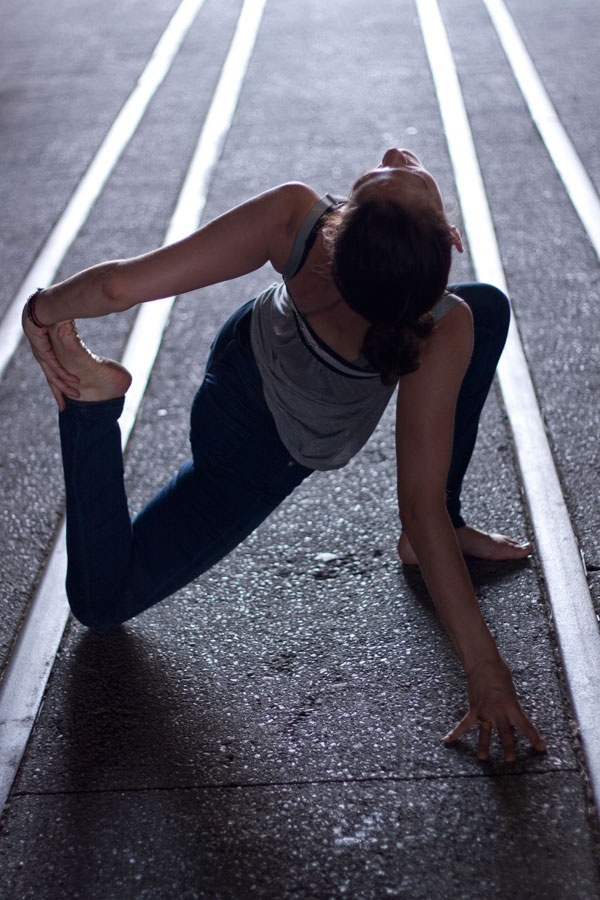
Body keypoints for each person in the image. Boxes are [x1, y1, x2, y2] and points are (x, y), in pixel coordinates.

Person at [23, 148, 546, 762]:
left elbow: (117, 285)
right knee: (100, 601)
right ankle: (91, 404)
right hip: (256, 452)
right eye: (394, 171)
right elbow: (416, 505)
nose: (395, 155)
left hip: (239, 369)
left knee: (486, 305)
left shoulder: (297, 217)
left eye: (391, 173)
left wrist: (43, 310)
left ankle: (446, 536)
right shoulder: (438, 323)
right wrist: (484, 667)